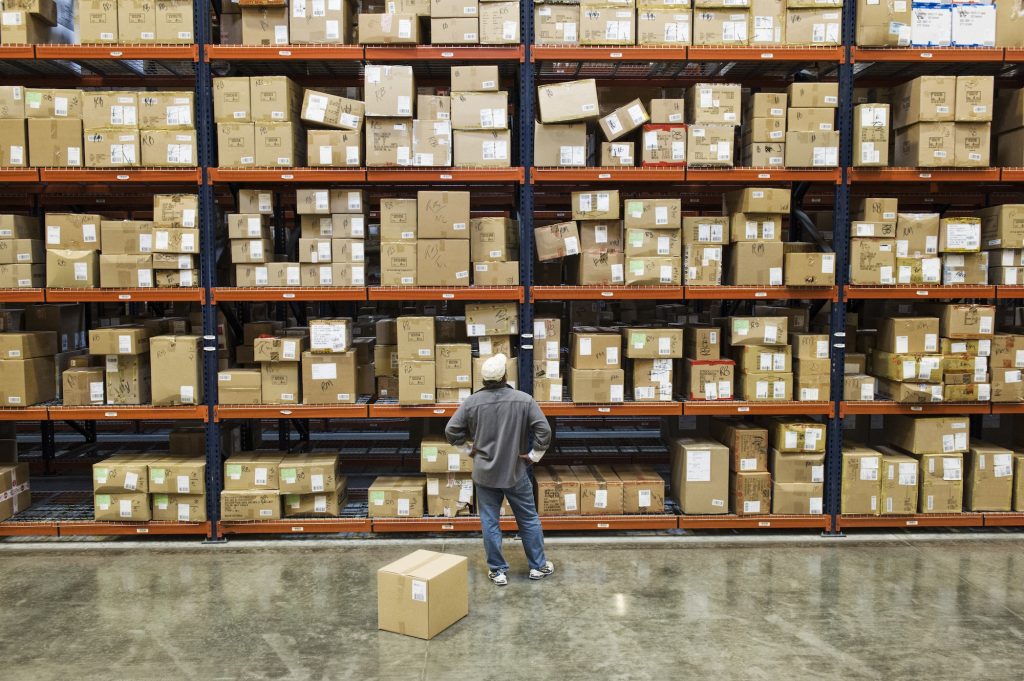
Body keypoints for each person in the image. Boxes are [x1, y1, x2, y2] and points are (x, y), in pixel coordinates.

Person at [445, 353, 554, 586]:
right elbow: (544, 430)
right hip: (515, 472)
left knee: (490, 522)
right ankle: (538, 566)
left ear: (482, 379)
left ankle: (498, 571)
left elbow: (451, 431)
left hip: (484, 474)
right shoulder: (524, 400)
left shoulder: (472, 402)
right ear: (505, 375)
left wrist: (469, 451)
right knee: (528, 519)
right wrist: (534, 456)